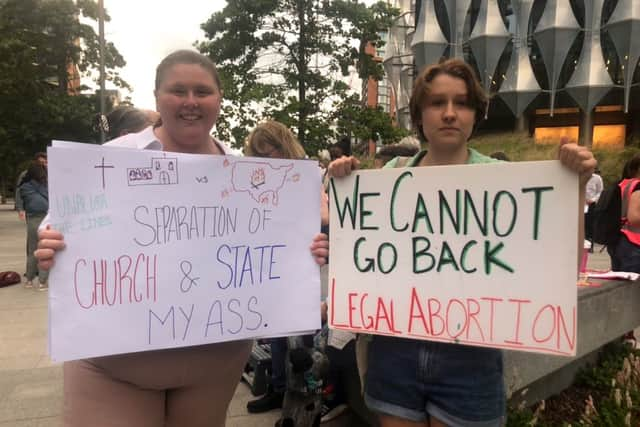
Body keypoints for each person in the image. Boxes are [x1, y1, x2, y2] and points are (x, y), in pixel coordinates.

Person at [35, 50, 328, 427]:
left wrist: (307, 251)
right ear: (157, 97)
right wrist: (49, 246)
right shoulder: (109, 160)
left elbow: (279, 251)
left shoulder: (245, 174)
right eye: (178, 91)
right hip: (116, 365)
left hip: (212, 365)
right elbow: (56, 228)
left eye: (202, 91)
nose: (191, 102)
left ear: (219, 99)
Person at [326, 58, 595, 427]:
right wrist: (344, 181)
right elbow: (361, 255)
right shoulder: (390, 176)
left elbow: (558, 261)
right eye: (437, 103)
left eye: (462, 103)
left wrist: (574, 186)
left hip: (470, 360)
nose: (449, 113)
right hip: (395, 357)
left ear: (475, 114)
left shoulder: (504, 181)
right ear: (420, 114)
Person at [19, 161, 49, 290]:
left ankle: (29, 281)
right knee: (45, 251)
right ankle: (42, 282)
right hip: (45, 220)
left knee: (32, 252)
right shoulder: (46, 186)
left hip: (31, 220)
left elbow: (23, 201)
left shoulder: (24, 187)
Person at [15, 152, 47, 221]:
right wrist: (20, 209)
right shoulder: (25, 174)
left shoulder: (50, 173)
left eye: (44, 162)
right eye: (40, 162)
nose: (42, 164)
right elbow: (19, 192)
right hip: (33, 212)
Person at [584, 167, 603, 251]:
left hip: (591, 204)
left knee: (590, 225)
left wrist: (593, 200)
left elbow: (600, 191)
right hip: (580, 203)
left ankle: (590, 246)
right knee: (581, 224)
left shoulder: (597, 178)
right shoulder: (579, 176)